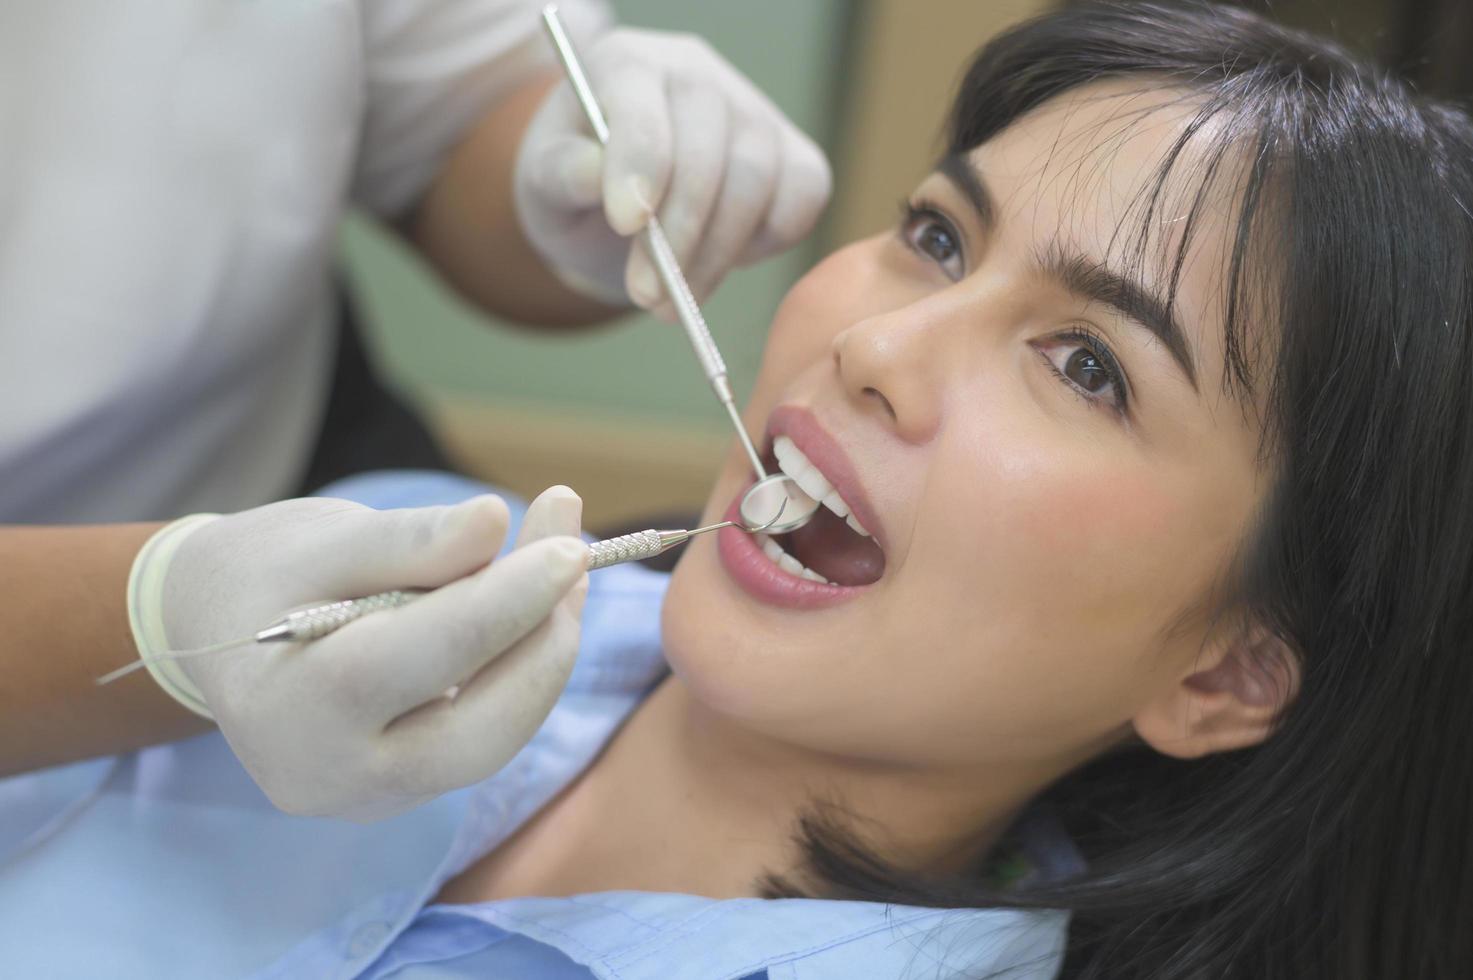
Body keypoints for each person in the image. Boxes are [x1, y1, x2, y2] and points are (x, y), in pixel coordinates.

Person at [4, 1, 1471, 976]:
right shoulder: (391, 545)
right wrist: (146, 638)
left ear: (1228, 672)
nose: (878, 340)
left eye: (1086, 366)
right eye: (938, 237)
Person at [0, 0, 831, 814]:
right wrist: (150, 618)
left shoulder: (416, 515)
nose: (873, 348)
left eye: (939, 239)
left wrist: (565, 176)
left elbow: (449, 117)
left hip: (283, 441)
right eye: (936, 240)